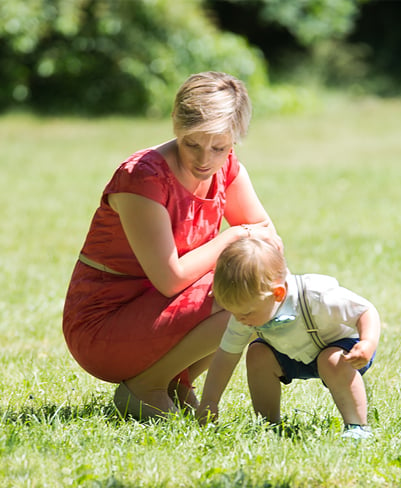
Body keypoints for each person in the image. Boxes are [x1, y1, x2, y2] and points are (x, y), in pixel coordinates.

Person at [62, 72, 282, 419]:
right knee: (239, 286)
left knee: (256, 287)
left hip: (160, 312)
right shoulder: (143, 177)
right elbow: (170, 278)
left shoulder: (226, 168)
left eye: (220, 147)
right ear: (176, 126)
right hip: (105, 325)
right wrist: (233, 236)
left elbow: (270, 240)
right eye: (192, 143)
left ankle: (178, 384)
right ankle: (146, 387)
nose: (205, 159)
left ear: (234, 141)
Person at [197, 238, 380, 439]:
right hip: (294, 355)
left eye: (246, 313)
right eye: (234, 312)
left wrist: (367, 343)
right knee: (257, 353)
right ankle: (269, 425)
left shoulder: (317, 295)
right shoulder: (246, 313)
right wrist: (210, 401)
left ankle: (357, 427)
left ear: (278, 293)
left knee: (331, 360)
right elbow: (226, 356)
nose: (240, 319)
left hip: (343, 352)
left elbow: (365, 311)